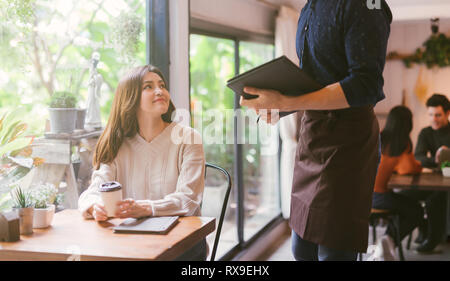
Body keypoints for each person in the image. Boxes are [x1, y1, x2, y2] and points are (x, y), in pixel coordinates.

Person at [240, 0, 392, 261]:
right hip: (312, 134)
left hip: (348, 142)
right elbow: (317, 79)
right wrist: (281, 106)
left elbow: (365, 85)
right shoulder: (309, 7)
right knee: (301, 249)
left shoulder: (369, 4)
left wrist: (289, 102)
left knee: (333, 251)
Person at [78, 65, 206, 260]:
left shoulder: (189, 138)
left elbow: (188, 201)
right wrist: (95, 206)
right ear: (130, 98)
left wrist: (146, 208)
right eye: (148, 87)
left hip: (182, 246)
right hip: (132, 242)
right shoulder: (117, 143)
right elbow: (93, 192)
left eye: (162, 85)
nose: (159, 91)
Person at [368, 106, 423, 260]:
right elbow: (408, 169)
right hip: (379, 197)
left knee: (402, 202)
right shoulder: (401, 143)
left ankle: (385, 242)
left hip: (362, 196)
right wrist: (418, 166)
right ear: (408, 124)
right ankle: (388, 239)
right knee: (416, 210)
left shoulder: (378, 137)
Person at [400, 94, 450, 252]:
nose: (433, 119)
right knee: (405, 195)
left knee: (436, 198)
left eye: (438, 115)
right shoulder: (425, 132)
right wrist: (436, 161)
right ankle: (422, 227)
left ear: (448, 113)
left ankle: (433, 240)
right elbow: (419, 157)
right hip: (433, 179)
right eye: (430, 115)